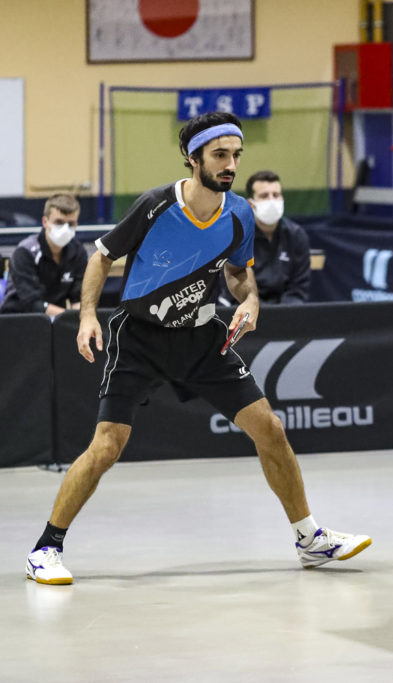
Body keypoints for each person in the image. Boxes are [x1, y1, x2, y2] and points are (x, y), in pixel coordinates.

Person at [25, 112, 370, 585]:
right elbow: (102, 256)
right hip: (140, 337)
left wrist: (249, 300)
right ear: (194, 158)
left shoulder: (240, 213)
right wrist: (87, 314)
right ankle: (46, 548)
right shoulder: (155, 206)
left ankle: (309, 538)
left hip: (203, 337)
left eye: (236, 155)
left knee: (269, 428)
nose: (230, 165)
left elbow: (236, 271)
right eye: (220, 155)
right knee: (107, 445)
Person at [1, 194, 87, 316]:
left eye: (71, 224)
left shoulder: (78, 253)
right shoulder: (25, 252)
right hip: (18, 319)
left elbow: (78, 299)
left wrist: (81, 320)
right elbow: (32, 303)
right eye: (59, 222)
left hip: (57, 322)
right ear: (45, 222)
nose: (65, 229)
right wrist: (69, 318)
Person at [242, 169, 311, 304]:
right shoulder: (238, 237)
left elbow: (298, 289)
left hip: (289, 314)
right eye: (264, 196)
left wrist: (282, 316)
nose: (272, 200)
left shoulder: (296, 235)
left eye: (276, 195)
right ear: (251, 203)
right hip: (249, 313)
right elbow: (237, 290)